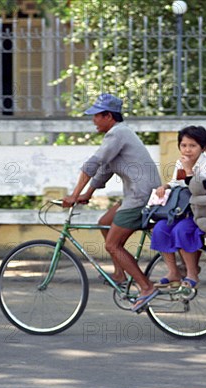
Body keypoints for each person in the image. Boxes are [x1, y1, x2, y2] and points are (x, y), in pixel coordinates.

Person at [62, 93, 162, 312]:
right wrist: (87, 194)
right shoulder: (120, 134)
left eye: (96, 116)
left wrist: (73, 194)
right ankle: (119, 273)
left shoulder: (117, 133)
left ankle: (146, 287)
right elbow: (104, 170)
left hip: (142, 197)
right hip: (139, 195)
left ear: (108, 116)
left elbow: (93, 163)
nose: (93, 121)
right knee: (105, 222)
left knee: (111, 245)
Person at [150, 126, 206, 289]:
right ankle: (173, 271)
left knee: (181, 231)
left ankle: (192, 273)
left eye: (192, 146)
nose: (187, 150)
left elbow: (199, 189)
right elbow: (175, 183)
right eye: (184, 145)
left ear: (202, 147)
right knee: (159, 229)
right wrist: (165, 186)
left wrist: (187, 170)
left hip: (198, 213)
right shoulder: (180, 162)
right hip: (180, 210)